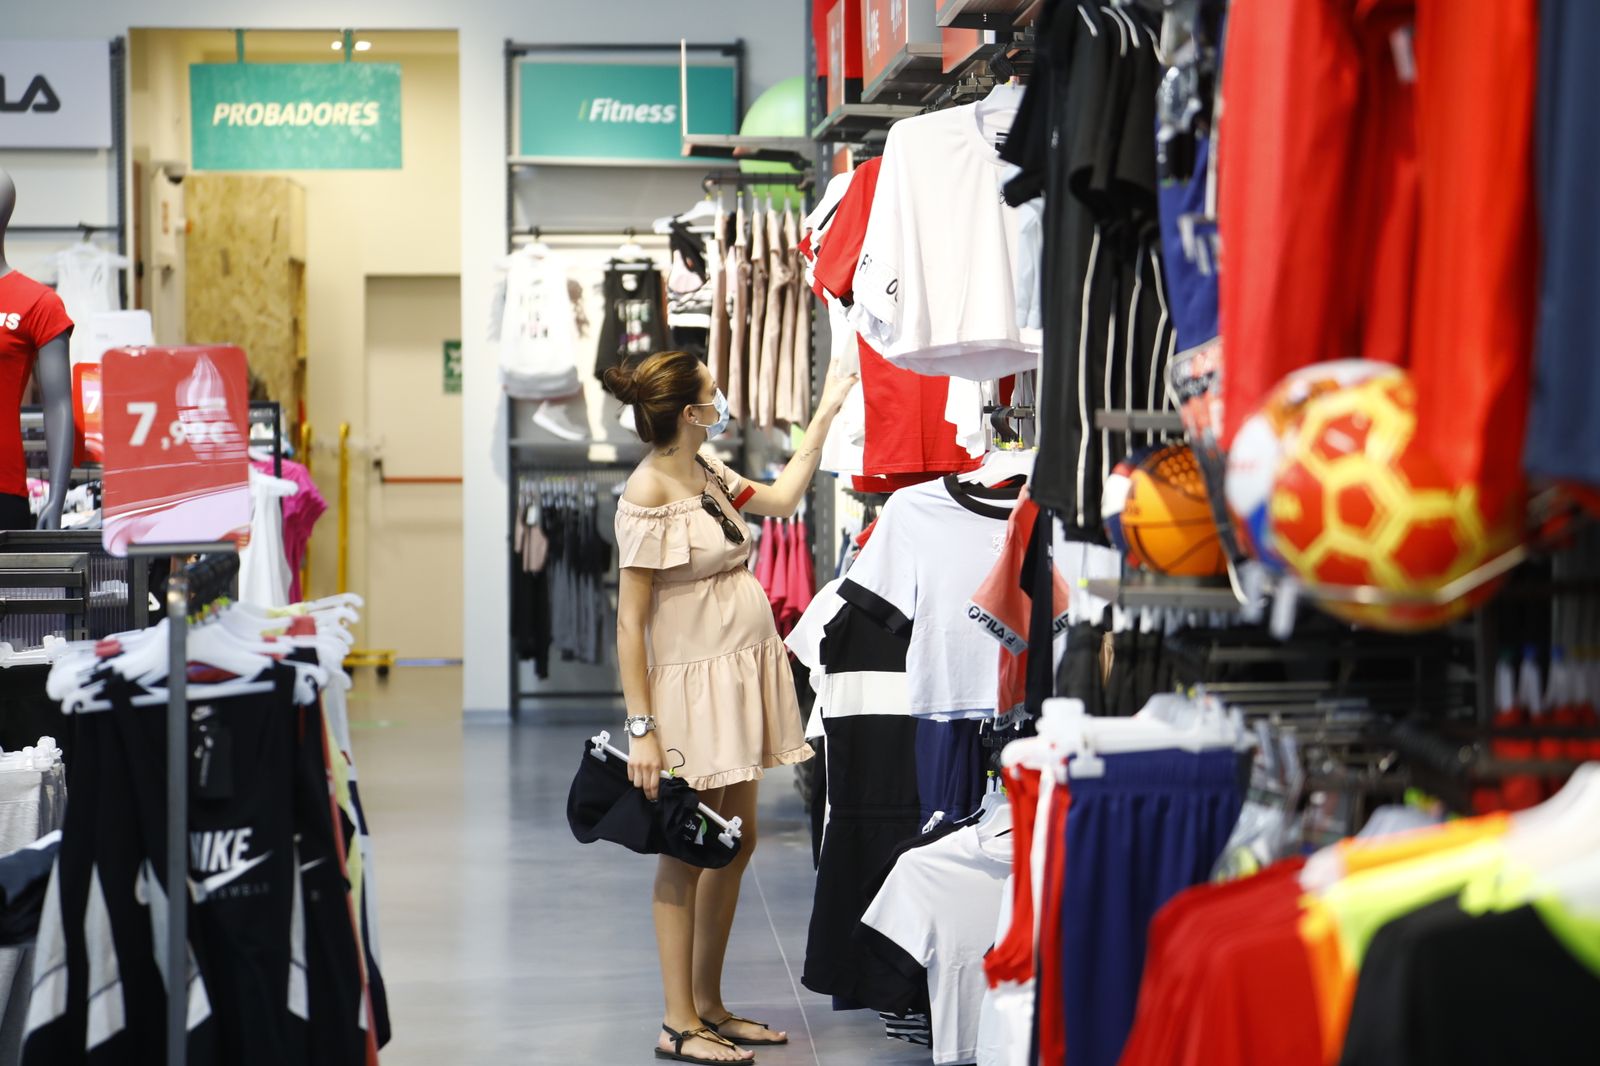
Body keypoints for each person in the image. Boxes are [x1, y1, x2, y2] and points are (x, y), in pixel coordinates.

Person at [604, 350, 856, 1064]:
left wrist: (827, 414)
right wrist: (642, 729)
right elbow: (629, 622)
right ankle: (678, 1022)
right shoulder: (648, 489)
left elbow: (778, 500)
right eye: (713, 396)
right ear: (689, 414)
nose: (723, 403)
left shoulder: (707, 472)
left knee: (733, 842)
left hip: (737, 677)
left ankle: (709, 1004)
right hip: (690, 687)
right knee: (687, 848)